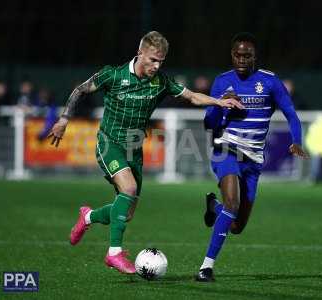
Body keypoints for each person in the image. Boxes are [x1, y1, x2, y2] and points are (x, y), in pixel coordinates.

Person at [48, 31, 242, 275]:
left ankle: (88, 217)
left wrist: (218, 102)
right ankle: (114, 254)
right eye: (152, 60)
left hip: (134, 148)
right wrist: (65, 119)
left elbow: (191, 96)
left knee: (125, 213)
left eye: (161, 61)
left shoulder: (160, 81)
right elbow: (81, 90)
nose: (156, 66)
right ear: (140, 53)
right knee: (128, 189)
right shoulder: (114, 74)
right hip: (109, 143)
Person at [195, 32, 308, 282]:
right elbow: (209, 124)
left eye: (247, 55)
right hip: (226, 150)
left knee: (236, 226)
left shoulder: (269, 81)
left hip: (253, 159)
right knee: (233, 204)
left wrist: (296, 141)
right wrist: (219, 103)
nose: (242, 59)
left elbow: (290, 113)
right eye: (238, 54)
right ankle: (206, 268)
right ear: (231, 55)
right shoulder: (222, 81)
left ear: (255, 56)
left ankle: (214, 205)